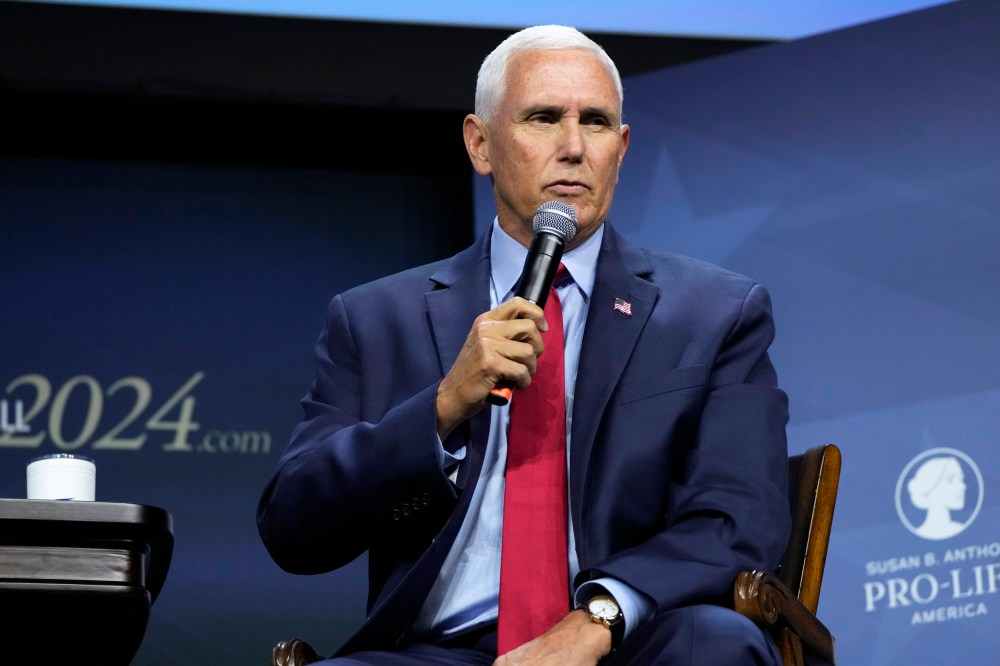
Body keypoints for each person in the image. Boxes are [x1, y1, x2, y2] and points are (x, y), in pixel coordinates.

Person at [258, 24, 790, 665]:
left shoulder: (714, 313)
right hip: (441, 651)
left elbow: (738, 516)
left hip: (633, 640)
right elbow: (294, 530)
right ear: (480, 144)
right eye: (543, 118)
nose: (572, 147)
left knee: (719, 644)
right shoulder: (375, 319)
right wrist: (443, 407)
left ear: (620, 149)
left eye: (595, 123)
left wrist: (596, 620)